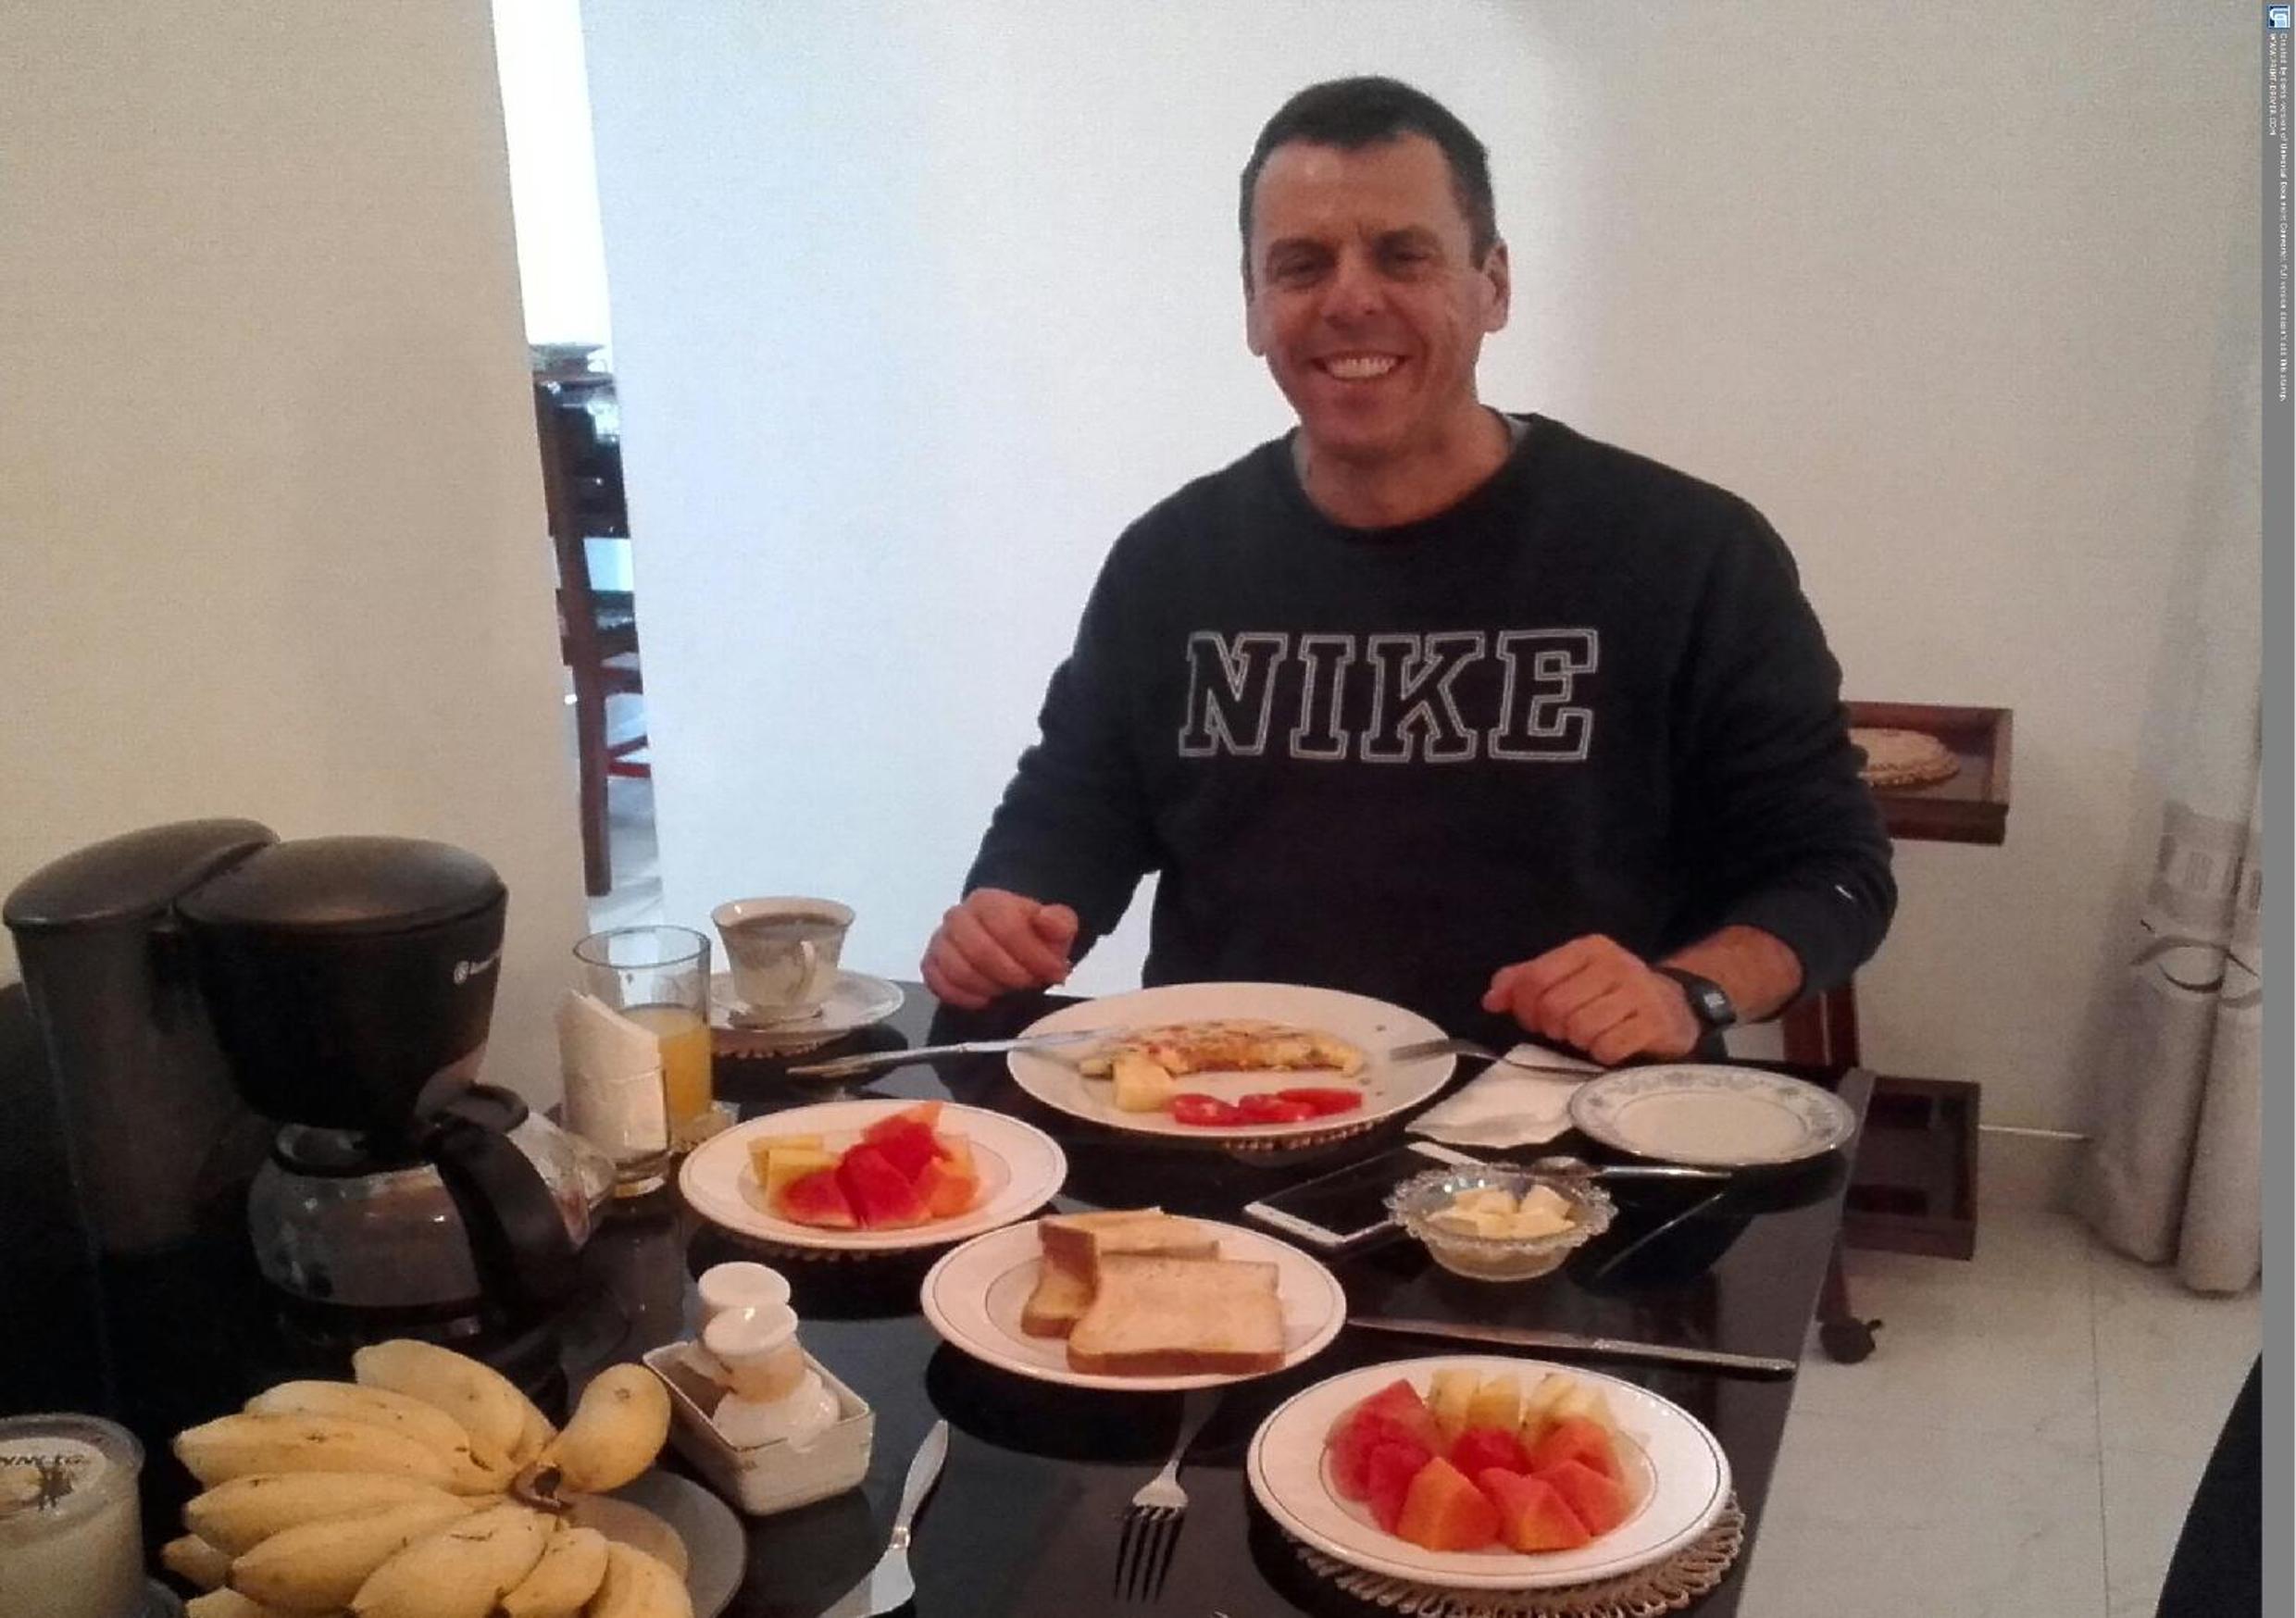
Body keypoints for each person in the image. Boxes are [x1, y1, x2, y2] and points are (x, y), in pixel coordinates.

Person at [921, 76, 1894, 1061]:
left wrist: (1687, 993)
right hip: (1221, 1105)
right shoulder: (1169, 563)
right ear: (1254, 306)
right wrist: (1006, 914)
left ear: (1492, 285)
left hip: (1568, 1117)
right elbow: (1070, 815)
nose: (1351, 299)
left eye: (1402, 255)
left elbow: (1831, 870)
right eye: (1301, 265)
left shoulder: (1688, 553)